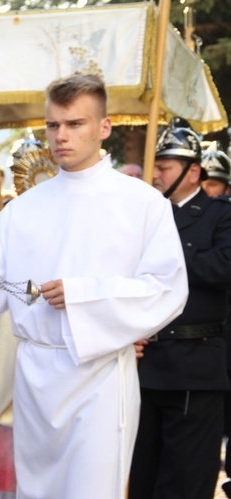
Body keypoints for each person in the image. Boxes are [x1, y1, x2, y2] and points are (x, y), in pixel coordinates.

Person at [0, 73, 188, 499]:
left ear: (104, 128)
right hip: (34, 376)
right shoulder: (23, 209)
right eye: (53, 125)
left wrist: (83, 297)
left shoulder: (141, 204)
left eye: (74, 124)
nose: (60, 136)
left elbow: (167, 289)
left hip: (98, 378)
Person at [129, 120, 231, 499]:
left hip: (194, 366)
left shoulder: (220, 214)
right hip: (145, 363)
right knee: (142, 477)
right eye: (154, 165)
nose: (156, 174)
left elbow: (224, 267)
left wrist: (173, 254)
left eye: (165, 166)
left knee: (184, 480)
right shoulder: (148, 217)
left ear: (192, 172)